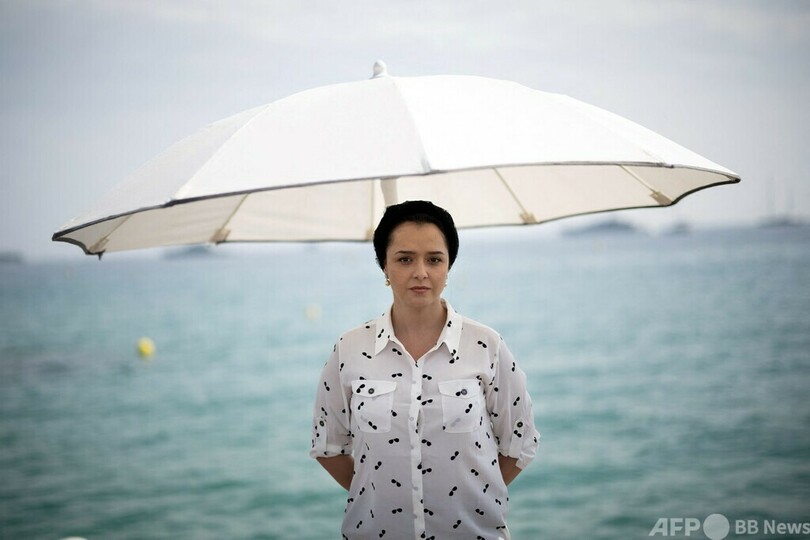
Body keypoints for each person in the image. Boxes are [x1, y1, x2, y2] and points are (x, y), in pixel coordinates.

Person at [310, 200, 540, 540]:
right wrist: (386, 495)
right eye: (405, 259)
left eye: (434, 259)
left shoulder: (486, 345)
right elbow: (328, 446)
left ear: (449, 266)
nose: (421, 272)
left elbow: (520, 442)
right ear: (384, 266)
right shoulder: (350, 349)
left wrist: (468, 495)